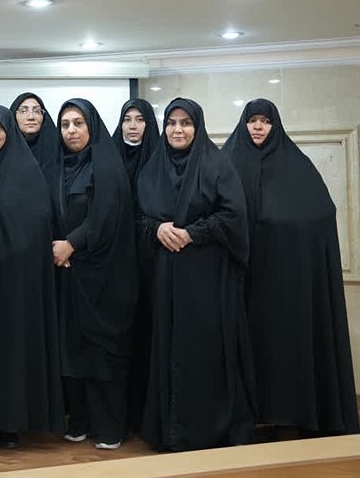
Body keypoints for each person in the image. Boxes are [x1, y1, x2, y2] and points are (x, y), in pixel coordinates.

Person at [222, 99, 359, 436]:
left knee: (283, 348)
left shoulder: (297, 166)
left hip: (285, 281)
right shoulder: (225, 164)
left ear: (275, 126)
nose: (258, 127)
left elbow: (320, 214)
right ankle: (240, 418)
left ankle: (288, 415)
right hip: (237, 281)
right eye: (252, 120)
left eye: (265, 121)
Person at [137, 98, 254, 451]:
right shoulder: (152, 168)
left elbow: (233, 215)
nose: (177, 130)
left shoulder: (217, 165)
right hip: (165, 277)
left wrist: (192, 234)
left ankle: (208, 429)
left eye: (185, 123)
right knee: (168, 345)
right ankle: (170, 430)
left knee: (204, 350)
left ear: (197, 127)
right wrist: (157, 229)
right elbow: (137, 217)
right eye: (171, 123)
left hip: (207, 277)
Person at [0, 105, 63, 448]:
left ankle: (10, 422)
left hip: (13, 282)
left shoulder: (27, 172)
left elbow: (36, 224)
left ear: (10, 132)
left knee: (9, 348)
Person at [51, 99, 137, 450]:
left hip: (104, 277)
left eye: (78, 123)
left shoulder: (107, 164)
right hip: (68, 275)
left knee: (103, 352)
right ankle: (80, 420)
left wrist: (71, 244)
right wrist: (57, 248)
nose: (71, 131)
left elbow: (106, 215)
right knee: (73, 349)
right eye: (65, 124)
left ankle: (109, 427)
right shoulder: (58, 165)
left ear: (92, 126)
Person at [110, 97, 159, 432]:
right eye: (127, 118)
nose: (132, 125)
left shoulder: (159, 158)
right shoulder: (109, 157)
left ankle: (146, 412)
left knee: (148, 333)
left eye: (140, 119)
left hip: (151, 263)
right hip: (115, 262)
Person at [9, 92, 59, 168]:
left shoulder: (57, 148)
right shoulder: (4, 149)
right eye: (23, 111)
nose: (31, 117)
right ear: (14, 115)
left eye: (36, 111)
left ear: (44, 116)